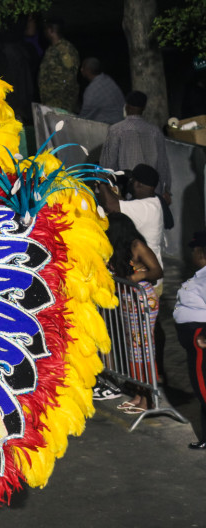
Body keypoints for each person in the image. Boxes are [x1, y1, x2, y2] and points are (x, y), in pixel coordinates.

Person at [105, 212, 163, 413]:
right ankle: (139, 394)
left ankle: (148, 399)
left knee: (144, 350)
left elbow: (157, 271)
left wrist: (140, 276)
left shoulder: (137, 246)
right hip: (128, 301)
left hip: (143, 301)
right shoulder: (117, 249)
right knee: (133, 350)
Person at [99, 90, 172, 203]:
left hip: (128, 192)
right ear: (143, 109)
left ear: (127, 107)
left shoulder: (116, 130)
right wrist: (166, 190)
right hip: (152, 193)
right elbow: (163, 165)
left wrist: (103, 184)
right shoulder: (155, 131)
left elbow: (108, 163)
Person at [174, 231, 206, 449]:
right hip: (194, 339)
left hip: (200, 338)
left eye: (194, 250)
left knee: (203, 389)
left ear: (201, 252)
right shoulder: (200, 274)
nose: (191, 254)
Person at [37, 17, 80, 113]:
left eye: (45, 29)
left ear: (50, 30)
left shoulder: (64, 49)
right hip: (51, 102)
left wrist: (60, 96)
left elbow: (70, 76)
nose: (44, 32)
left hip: (61, 103)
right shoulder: (52, 49)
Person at [78, 57, 124, 125]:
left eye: (83, 67)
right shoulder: (107, 79)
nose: (81, 70)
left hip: (111, 126)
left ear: (88, 70)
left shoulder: (91, 91)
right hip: (122, 120)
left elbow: (84, 117)